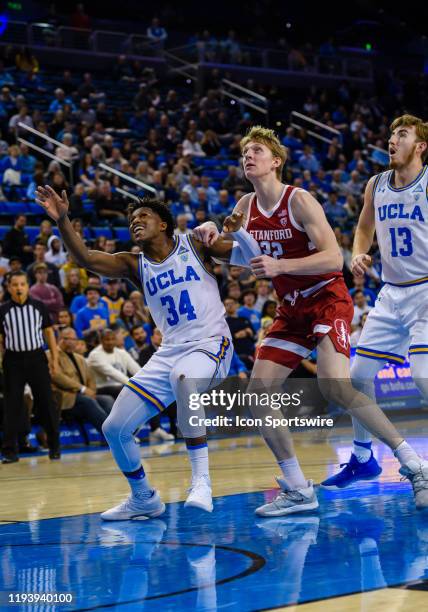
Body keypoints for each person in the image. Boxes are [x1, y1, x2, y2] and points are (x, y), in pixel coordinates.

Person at [194, 124, 428, 514]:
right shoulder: (244, 207)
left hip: (326, 299)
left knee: (336, 386)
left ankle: (412, 462)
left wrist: (279, 264)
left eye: (256, 151)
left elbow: (332, 258)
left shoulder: (299, 200)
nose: (247, 157)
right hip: (291, 308)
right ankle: (300, 488)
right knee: (257, 393)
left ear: (276, 162)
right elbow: (234, 252)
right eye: (244, 153)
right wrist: (209, 237)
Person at [35, 187, 236, 520]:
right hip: (170, 351)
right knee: (114, 427)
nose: (135, 222)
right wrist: (62, 219)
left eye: (144, 216)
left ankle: (202, 481)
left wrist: (228, 229)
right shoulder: (134, 264)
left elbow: (240, 253)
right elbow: (84, 258)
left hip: (211, 344)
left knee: (183, 378)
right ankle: (143, 497)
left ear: (164, 224)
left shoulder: (195, 245)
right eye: (131, 219)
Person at [322, 114, 428, 491]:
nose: (392, 139)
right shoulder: (376, 183)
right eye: (391, 133)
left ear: (420, 147)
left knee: (423, 376)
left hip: (426, 292)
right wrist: (359, 253)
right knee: (356, 378)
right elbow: (365, 227)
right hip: (391, 293)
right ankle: (364, 458)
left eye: (402, 134)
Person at [0, 271, 60, 463]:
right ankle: (10, 450)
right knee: (12, 405)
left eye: (22, 284)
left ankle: (54, 446)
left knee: (46, 403)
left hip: (36, 358)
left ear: (27, 286)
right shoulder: (2, 310)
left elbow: (49, 333)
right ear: (8, 288)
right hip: (13, 360)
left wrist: (55, 360)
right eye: (15, 285)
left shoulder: (39, 306)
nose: (19, 288)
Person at [51, 327, 114, 437]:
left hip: (84, 397)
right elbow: (57, 377)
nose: (76, 342)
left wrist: (92, 391)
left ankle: (121, 430)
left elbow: (90, 378)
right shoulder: (52, 355)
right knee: (87, 401)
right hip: (66, 399)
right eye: (73, 339)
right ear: (62, 339)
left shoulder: (79, 358)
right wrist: (83, 389)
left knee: (107, 399)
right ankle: (111, 435)